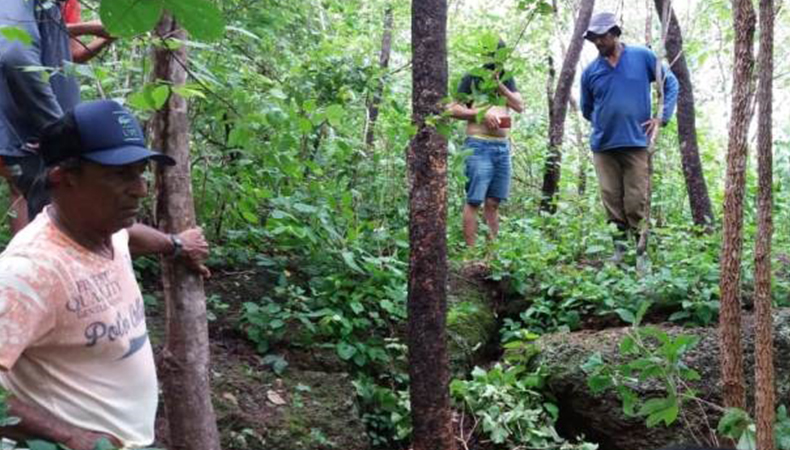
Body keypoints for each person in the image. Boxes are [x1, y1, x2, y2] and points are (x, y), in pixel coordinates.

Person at [0, 100, 210, 450]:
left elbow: (132, 235)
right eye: (120, 174)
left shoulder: (105, 230)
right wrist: (71, 437)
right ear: (63, 177)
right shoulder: (29, 272)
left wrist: (175, 244)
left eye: (140, 172)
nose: (140, 188)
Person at [0, 0, 114, 235]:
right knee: (51, 211)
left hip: (46, 120)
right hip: (27, 122)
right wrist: (57, 128)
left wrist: (109, 35)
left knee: (38, 201)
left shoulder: (65, 3)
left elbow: (71, 54)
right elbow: (15, 52)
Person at [580, 12, 678, 262]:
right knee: (612, 200)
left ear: (614, 33)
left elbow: (670, 84)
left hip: (636, 142)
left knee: (636, 201)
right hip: (603, 146)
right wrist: (607, 121)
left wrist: (661, 117)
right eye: (593, 38)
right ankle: (620, 252)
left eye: (601, 37)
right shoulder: (591, 72)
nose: (598, 42)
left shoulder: (641, 56)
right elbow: (587, 109)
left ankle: (642, 253)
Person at [447, 40, 524, 247]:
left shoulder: (508, 79)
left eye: (500, 55)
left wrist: (500, 85)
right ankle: (471, 252)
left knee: (494, 202)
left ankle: (492, 253)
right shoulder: (472, 77)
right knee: (475, 200)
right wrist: (479, 113)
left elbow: (519, 106)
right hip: (478, 146)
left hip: (502, 148)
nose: (496, 59)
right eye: (493, 55)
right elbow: (451, 109)